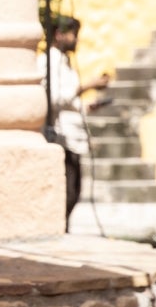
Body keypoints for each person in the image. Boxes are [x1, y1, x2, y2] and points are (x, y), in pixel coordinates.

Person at [44, 15, 110, 229]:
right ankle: (57, 230)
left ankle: (62, 229)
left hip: (73, 136)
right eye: (73, 34)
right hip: (60, 137)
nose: (76, 40)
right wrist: (87, 85)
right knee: (68, 192)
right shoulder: (49, 62)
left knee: (75, 190)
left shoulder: (64, 63)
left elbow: (69, 102)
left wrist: (90, 105)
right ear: (59, 35)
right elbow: (52, 98)